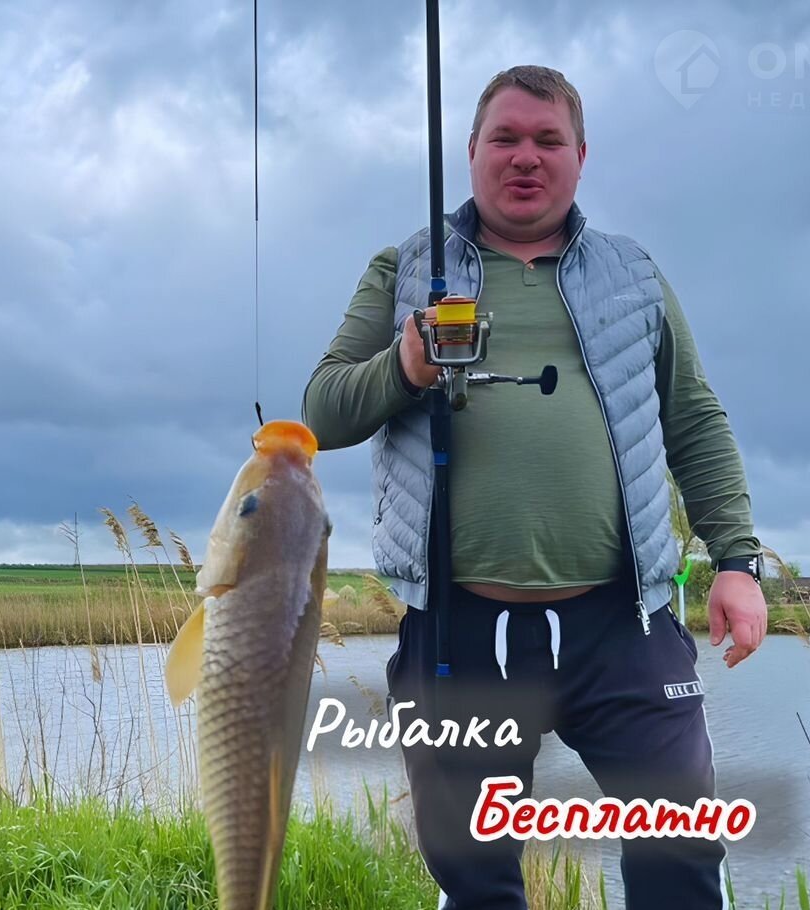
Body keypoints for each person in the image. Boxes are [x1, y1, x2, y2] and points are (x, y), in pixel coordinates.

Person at [301, 64, 766, 910]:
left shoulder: (634, 274)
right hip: (457, 630)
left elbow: (695, 419)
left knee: (680, 860)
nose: (526, 157)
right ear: (471, 150)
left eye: (549, 140)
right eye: (506, 138)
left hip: (625, 625)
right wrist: (404, 365)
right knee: (476, 881)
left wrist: (736, 561)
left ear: (581, 156)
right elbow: (322, 410)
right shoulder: (405, 269)